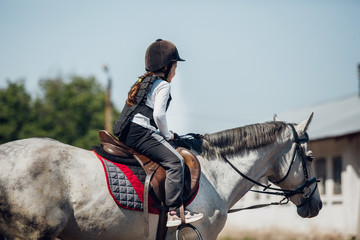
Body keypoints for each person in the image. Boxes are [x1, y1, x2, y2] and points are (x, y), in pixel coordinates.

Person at [113, 39, 203, 227]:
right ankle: (173, 212)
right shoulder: (163, 85)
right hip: (141, 132)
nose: (175, 72)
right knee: (176, 162)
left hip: (126, 131)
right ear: (166, 66)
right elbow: (159, 115)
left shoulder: (144, 81)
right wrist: (166, 134)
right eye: (175, 67)